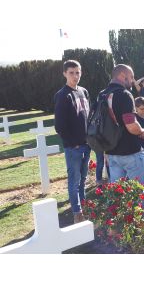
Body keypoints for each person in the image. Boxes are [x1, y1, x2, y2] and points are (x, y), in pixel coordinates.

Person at [54, 60, 91, 224]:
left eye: (78, 72)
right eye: (71, 73)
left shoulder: (83, 91)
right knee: (74, 181)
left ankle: (84, 207)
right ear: (64, 74)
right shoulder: (62, 95)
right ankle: (77, 212)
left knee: (84, 179)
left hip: (87, 144)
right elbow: (59, 126)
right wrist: (72, 143)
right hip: (73, 147)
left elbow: (88, 117)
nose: (75, 76)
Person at [99, 64, 144, 184]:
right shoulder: (125, 94)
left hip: (111, 152)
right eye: (131, 77)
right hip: (130, 151)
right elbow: (131, 125)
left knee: (118, 195)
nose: (132, 81)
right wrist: (142, 131)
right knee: (138, 194)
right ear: (122, 76)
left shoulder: (102, 95)